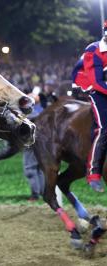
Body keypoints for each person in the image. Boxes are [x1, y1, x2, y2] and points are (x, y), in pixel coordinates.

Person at [72, 20, 107, 193]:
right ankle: (94, 173)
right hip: (89, 85)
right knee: (104, 127)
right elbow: (97, 82)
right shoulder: (93, 50)